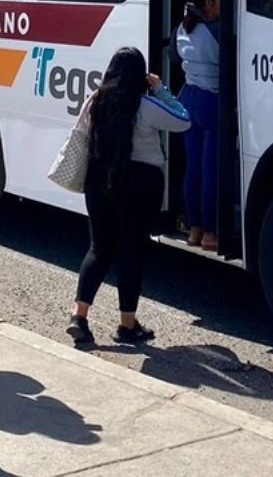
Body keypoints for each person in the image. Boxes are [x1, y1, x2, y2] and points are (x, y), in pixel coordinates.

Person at [66, 47, 190, 345]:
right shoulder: (145, 105)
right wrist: (161, 89)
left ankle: (79, 316)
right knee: (131, 251)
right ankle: (127, 324)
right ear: (140, 76)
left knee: (99, 249)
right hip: (140, 184)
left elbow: (80, 134)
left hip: (99, 180)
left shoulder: (96, 101)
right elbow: (183, 119)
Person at [176, 0, 220, 252]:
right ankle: (211, 233)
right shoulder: (216, 31)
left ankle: (193, 230)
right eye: (220, 1)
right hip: (211, 101)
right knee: (210, 170)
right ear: (209, 2)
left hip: (188, 97)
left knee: (192, 168)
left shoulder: (183, 27)